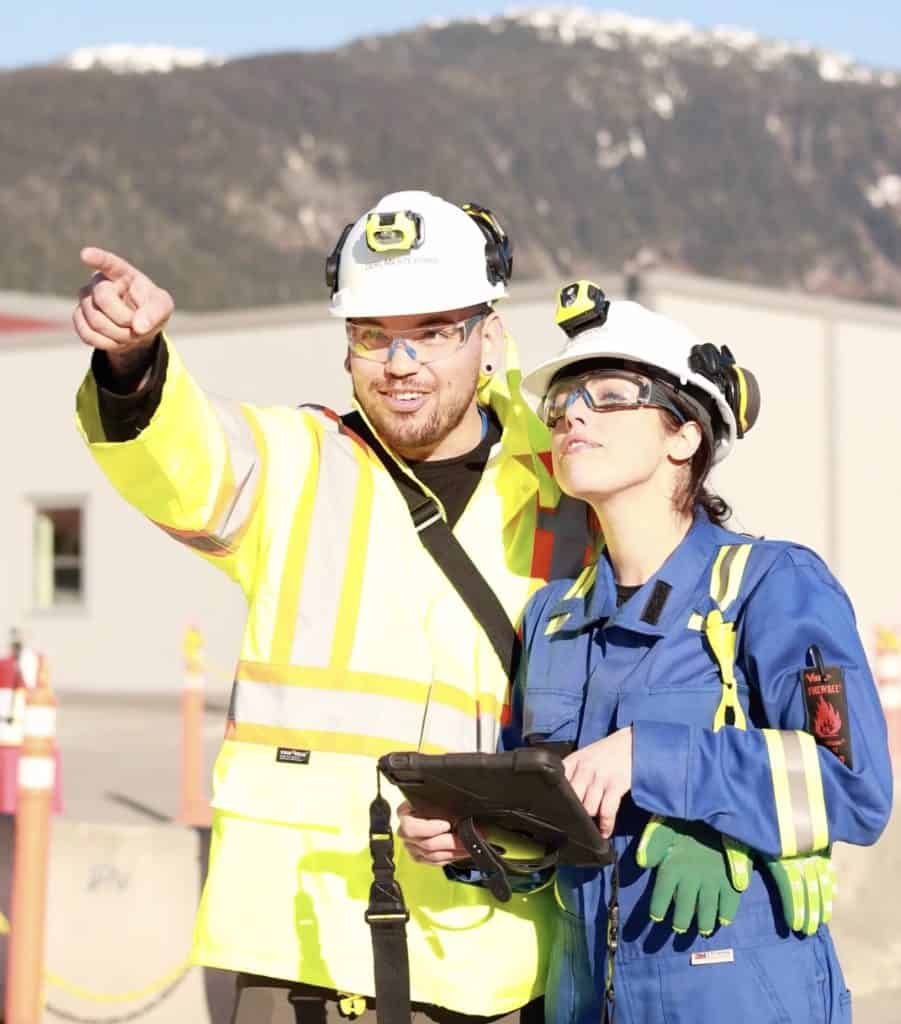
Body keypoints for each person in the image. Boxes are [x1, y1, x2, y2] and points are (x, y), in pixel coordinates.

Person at [72, 192, 596, 1024]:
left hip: (493, 956)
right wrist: (134, 366)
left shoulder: (571, 493)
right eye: (371, 334)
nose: (399, 362)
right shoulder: (296, 463)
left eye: (431, 331)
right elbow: (179, 454)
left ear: (490, 337)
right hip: (299, 952)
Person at [400, 281, 893, 1023]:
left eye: (607, 394)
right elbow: (554, 825)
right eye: (561, 404)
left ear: (684, 434)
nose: (572, 416)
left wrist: (655, 757)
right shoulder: (552, 618)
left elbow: (854, 788)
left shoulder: (769, 586)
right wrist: (474, 835)